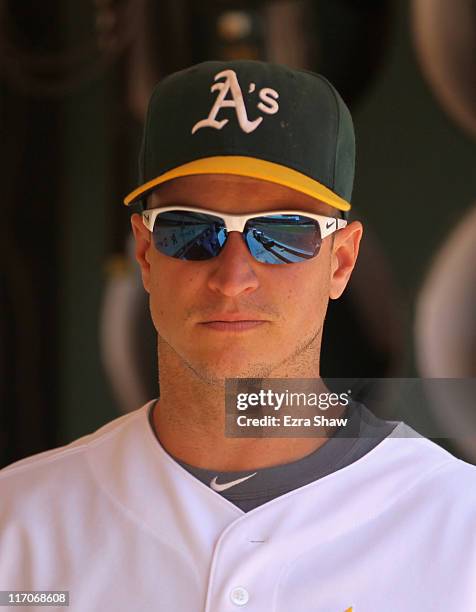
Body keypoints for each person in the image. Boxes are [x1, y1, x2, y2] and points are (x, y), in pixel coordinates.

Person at [1, 60, 475, 612]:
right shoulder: (18, 528)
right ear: (147, 253)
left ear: (341, 261)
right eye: (190, 231)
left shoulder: (459, 530)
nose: (232, 278)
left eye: (281, 234)